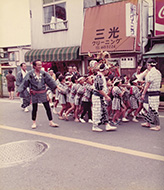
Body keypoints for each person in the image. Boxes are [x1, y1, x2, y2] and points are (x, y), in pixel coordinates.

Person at [17, 60, 59, 129]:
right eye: (38, 65)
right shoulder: (30, 74)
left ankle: (51, 121)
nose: (40, 66)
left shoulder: (44, 73)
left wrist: (57, 86)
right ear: (34, 66)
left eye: (40, 65)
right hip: (34, 93)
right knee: (34, 108)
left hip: (43, 93)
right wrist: (19, 90)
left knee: (47, 107)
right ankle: (34, 122)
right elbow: (24, 82)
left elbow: (50, 80)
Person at [92, 63, 117, 132]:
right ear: (104, 70)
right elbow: (99, 88)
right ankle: (95, 126)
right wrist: (106, 96)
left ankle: (107, 124)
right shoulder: (99, 76)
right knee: (97, 111)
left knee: (104, 111)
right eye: (107, 70)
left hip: (101, 97)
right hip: (97, 97)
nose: (107, 71)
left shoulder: (101, 76)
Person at [141, 58, 162, 131]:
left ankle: (157, 125)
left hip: (152, 93)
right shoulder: (158, 72)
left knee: (154, 109)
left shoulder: (151, 73)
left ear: (149, 65)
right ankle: (148, 122)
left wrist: (143, 93)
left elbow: (148, 84)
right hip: (156, 92)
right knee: (150, 108)